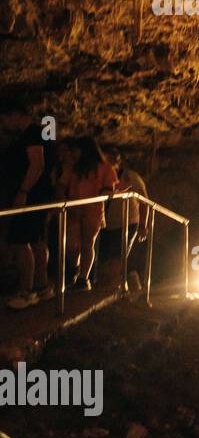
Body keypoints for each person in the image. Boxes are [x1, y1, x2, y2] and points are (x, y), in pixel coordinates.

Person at [1, 105, 54, 310]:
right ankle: (41, 287)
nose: (3, 124)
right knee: (37, 239)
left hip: (30, 195)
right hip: (38, 194)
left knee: (20, 241)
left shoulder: (32, 134)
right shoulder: (44, 132)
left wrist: (23, 191)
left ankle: (27, 291)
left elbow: (37, 164)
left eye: (4, 119)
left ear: (15, 115)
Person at [56, 137, 117, 290]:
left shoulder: (105, 168)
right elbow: (61, 185)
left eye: (75, 150)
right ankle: (74, 270)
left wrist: (105, 194)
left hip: (93, 210)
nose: (72, 153)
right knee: (71, 244)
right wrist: (65, 202)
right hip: (74, 209)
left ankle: (83, 278)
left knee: (87, 243)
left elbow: (109, 188)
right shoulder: (73, 167)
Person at [102, 146, 147, 291]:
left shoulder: (131, 176)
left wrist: (142, 225)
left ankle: (116, 290)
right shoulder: (103, 176)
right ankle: (122, 287)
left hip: (127, 222)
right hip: (107, 223)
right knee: (109, 260)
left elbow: (144, 201)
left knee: (117, 257)